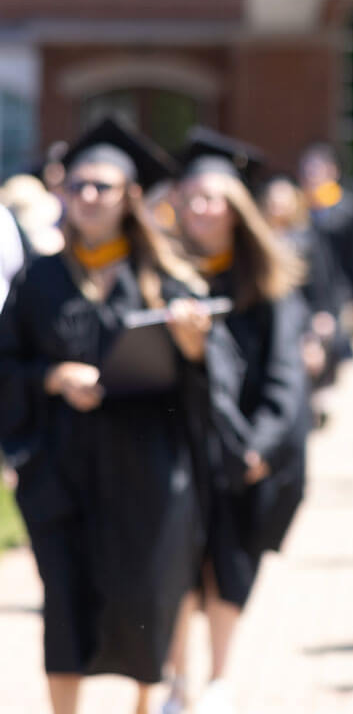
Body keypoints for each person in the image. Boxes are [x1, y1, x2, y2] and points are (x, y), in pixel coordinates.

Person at [0, 116, 213, 714]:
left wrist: (195, 348)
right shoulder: (39, 280)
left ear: (131, 198)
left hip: (149, 466)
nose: (87, 197)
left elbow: (208, 383)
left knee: (149, 597)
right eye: (77, 186)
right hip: (63, 468)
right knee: (64, 602)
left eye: (102, 186)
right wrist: (52, 376)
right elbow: (4, 365)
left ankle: (147, 707)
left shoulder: (165, 282)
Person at [165, 129, 310, 714]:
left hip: (243, 445)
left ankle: (220, 677)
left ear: (237, 207)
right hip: (177, 441)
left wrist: (262, 447)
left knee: (229, 557)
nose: (203, 208)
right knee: (174, 558)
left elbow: (285, 377)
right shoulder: (164, 275)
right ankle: (180, 679)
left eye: (216, 197)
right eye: (193, 197)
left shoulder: (267, 283)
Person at [260, 173, 350, 425]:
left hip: (301, 315)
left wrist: (323, 316)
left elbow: (322, 282)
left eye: (283, 199)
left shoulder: (307, 237)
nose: (278, 205)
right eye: (273, 200)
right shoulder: (259, 239)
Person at [299, 141, 353, 329]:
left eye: (316, 169)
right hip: (307, 295)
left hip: (340, 293)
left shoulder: (347, 209)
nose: (311, 175)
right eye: (307, 170)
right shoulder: (298, 209)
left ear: (333, 171)